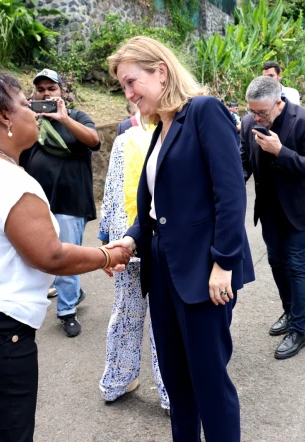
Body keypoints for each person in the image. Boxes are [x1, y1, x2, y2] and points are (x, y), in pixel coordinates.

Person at [0, 70, 132, 441]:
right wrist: (105, 255)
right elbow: (50, 256)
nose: (34, 111)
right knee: (7, 430)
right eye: (24, 103)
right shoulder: (9, 181)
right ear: (3, 115)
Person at [105, 36, 254, 442]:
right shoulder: (160, 130)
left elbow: (230, 192)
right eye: (124, 86)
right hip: (163, 267)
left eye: (132, 82)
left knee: (209, 381)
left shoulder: (203, 111)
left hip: (204, 269)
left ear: (162, 71)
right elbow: (156, 210)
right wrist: (130, 241)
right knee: (175, 379)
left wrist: (224, 262)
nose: (130, 93)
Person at [240, 75, 305, 360]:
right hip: (269, 210)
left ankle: (298, 331)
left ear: (278, 103)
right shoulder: (249, 122)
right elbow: (243, 165)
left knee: (298, 265)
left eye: (262, 112)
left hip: (299, 209)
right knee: (276, 261)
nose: (256, 118)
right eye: (252, 111)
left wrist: (280, 151)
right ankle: (290, 312)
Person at [20, 68, 101, 337]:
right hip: (36, 202)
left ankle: (66, 311)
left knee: (65, 257)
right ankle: (72, 293)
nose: (46, 93)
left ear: (61, 92)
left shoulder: (77, 117)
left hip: (70, 199)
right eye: (40, 89)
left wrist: (64, 119)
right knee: (38, 256)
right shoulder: (30, 122)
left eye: (51, 89)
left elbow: (94, 140)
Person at [98, 119, 169, 412]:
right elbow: (113, 189)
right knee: (159, 319)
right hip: (141, 240)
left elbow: (111, 193)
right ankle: (169, 392)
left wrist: (106, 235)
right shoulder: (164, 135)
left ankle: (118, 380)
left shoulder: (130, 139)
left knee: (129, 313)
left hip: (131, 238)